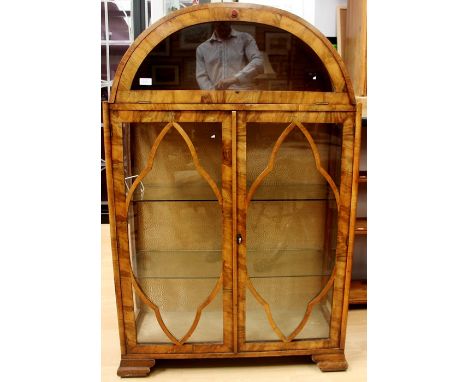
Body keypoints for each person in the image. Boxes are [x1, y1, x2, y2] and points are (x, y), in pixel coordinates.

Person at [196, 22, 264, 90]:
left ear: (230, 20)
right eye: (220, 22)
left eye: (225, 22)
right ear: (214, 22)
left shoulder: (245, 39)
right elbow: (201, 76)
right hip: (216, 98)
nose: (222, 23)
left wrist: (235, 78)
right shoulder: (202, 49)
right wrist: (212, 94)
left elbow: (258, 62)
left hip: (243, 96)